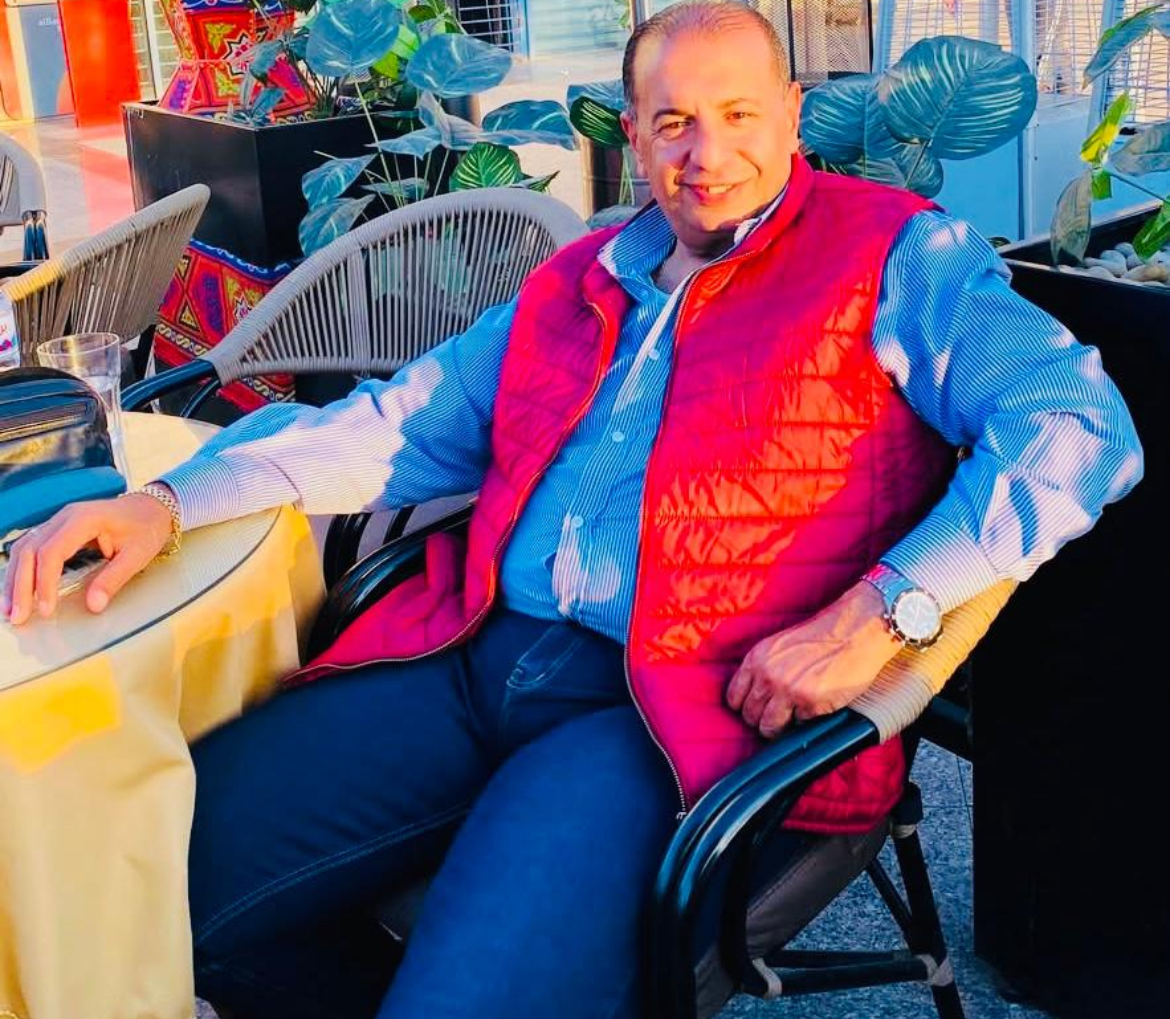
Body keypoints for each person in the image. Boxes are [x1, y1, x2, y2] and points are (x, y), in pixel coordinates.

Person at [2, 2, 1143, 1017]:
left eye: (739, 114)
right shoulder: (581, 275)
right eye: (673, 122)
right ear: (632, 132)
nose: (708, 154)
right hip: (470, 655)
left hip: (668, 713)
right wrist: (170, 498)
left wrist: (886, 609)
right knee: (132, 893)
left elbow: (1078, 426)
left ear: (794, 113)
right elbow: (396, 425)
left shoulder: (894, 251)